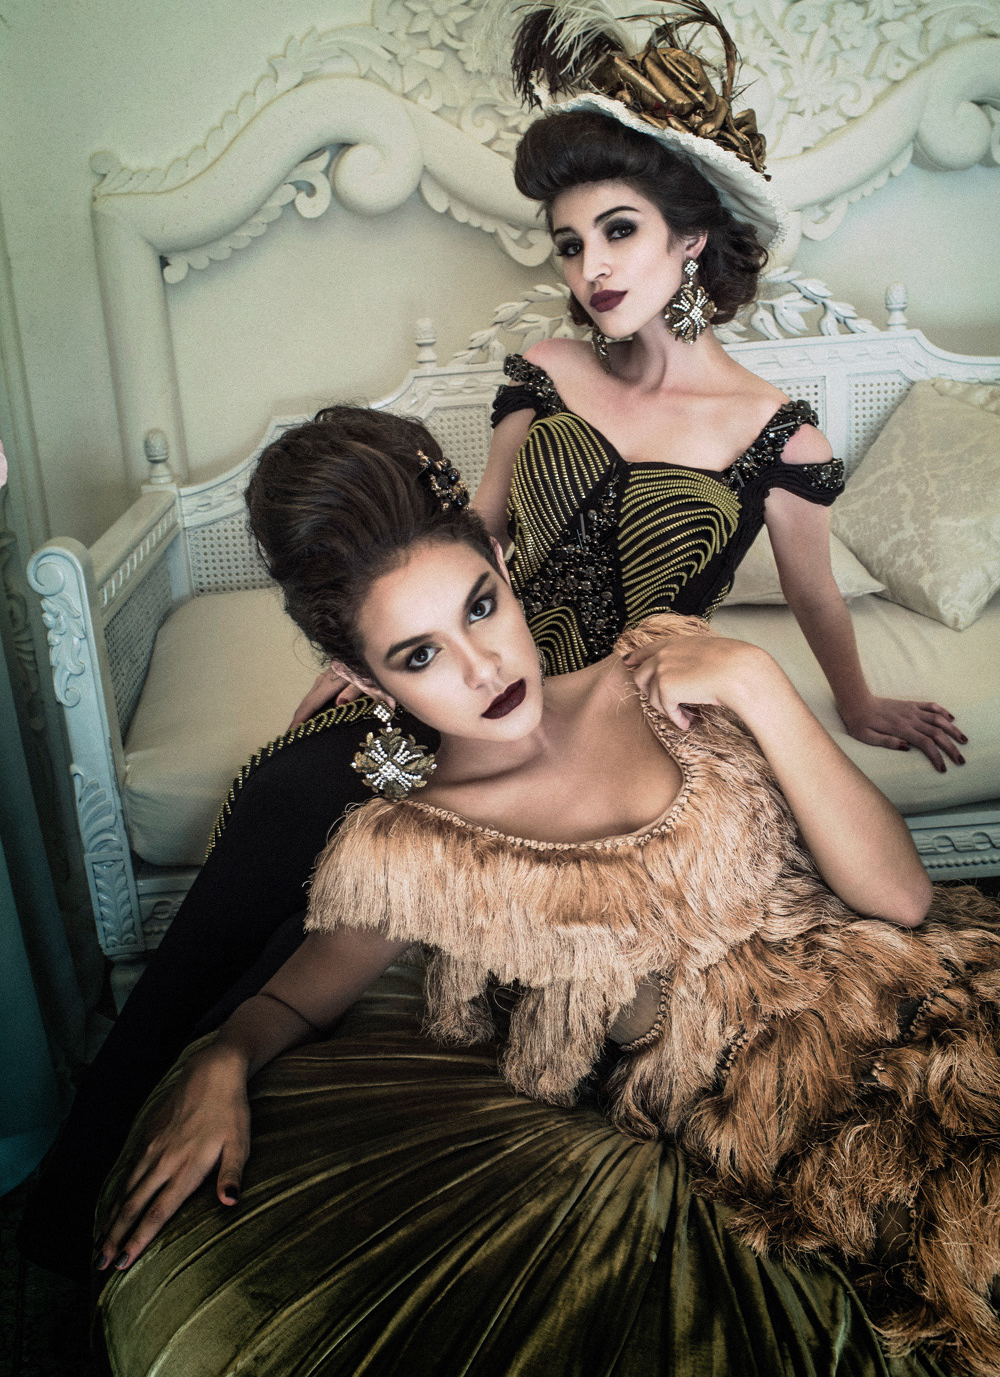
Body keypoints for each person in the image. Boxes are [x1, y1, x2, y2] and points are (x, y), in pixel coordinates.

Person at [16, 0, 963, 1279]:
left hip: (624, 705)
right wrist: (374, 666)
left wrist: (850, 701)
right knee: (290, 800)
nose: (591, 270)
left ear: (691, 241)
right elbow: (472, 535)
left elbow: (810, 595)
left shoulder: (775, 432)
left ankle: (219, 1055)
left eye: (618, 232)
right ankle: (102, 1149)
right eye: (570, 244)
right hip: (468, 695)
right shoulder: (546, 369)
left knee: (353, 851)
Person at [95, 407, 999, 1377]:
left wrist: (759, 682)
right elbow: (292, 1002)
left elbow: (903, 899)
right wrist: (224, 1058)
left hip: (942, 995)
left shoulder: (661, 668)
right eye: (419, 655)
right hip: (799, 1132)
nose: (481, 666)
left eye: (480, 606)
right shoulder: (416, 846)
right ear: (364, 678)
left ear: (502, 563)